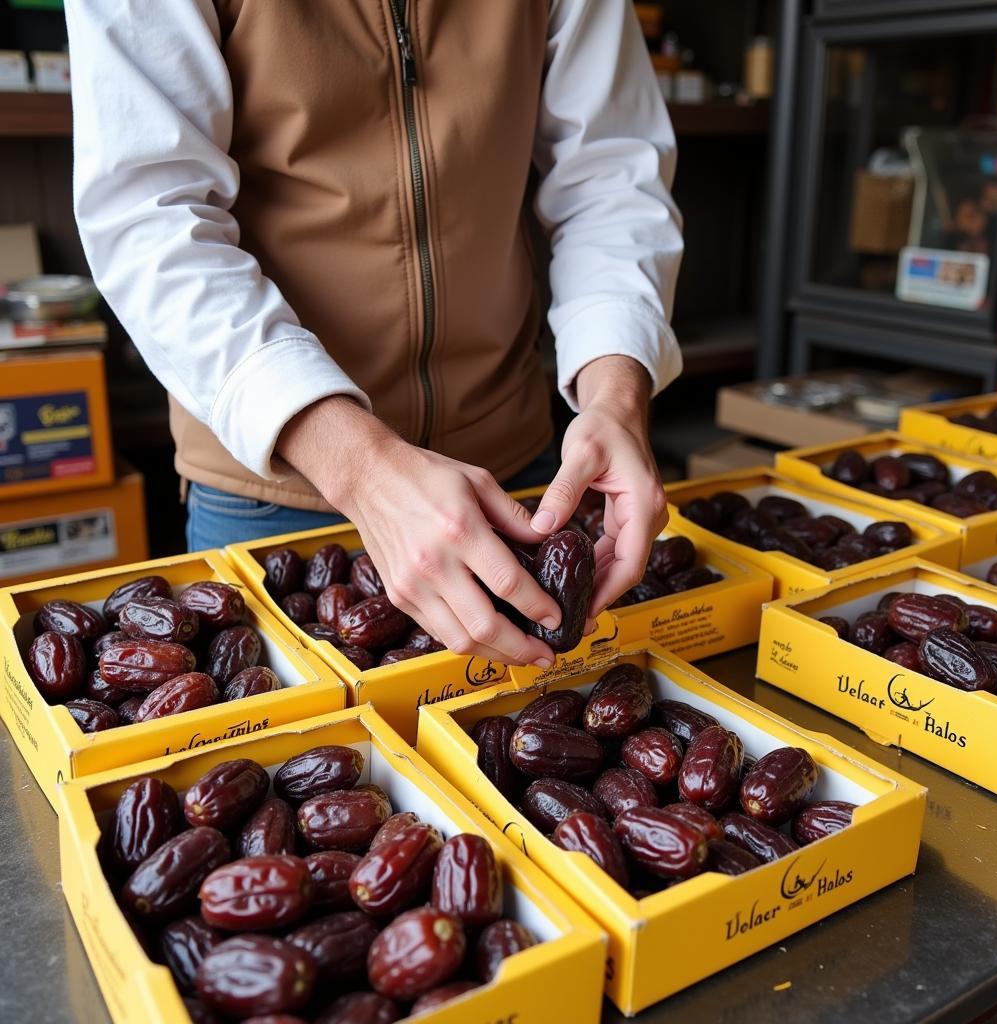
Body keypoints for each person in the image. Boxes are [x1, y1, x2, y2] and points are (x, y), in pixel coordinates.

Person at [66, 0, 683, 670]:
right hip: (277, 483)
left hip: (519, 475)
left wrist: (615, 397)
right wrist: (357, 465)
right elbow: (148, 216)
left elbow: (611, 177)